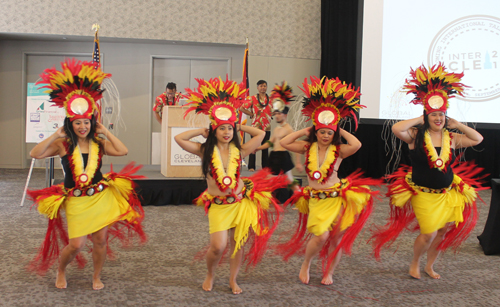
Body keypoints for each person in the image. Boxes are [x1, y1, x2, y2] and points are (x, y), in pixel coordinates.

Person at [28, 59, 147, 290]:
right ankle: (61, 270)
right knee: (76, 245)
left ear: (92, 123)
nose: (83, 126)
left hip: (99, 197)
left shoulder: (98, 143)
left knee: (101, 240)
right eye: (78, 123)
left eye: (86, 122)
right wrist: (54, 135)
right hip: (76, 199)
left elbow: (123, 151)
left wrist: (105, 132)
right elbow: (35, 153)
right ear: (70, 123)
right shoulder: (63, 144)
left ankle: (96, 276)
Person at [371, 63, 485, 280]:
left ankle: (429, 265)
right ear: (426, 116)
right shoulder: (415, 135)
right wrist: (422, 117)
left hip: (447, 193)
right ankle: (415, 263)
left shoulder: (451, 138)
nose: (438, 118)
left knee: (441, 232)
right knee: (429, 232)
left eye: (441, 114)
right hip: (423, 193)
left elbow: (477, 139)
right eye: (433, 115)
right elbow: (397, 129)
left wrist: (457, 124)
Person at [175, 77, 287, 294]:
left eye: (229, 129)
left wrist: (238, 124)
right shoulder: (204, 151)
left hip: (239, 202)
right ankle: (210, 273)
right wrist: (201, 131)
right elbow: (180, 139)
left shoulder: (241, 150)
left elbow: (262, 133)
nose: (226, 132)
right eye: (222, 128)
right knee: (218, 247)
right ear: (214, 130)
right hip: (218, 204)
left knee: (237, 245)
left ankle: (233, 279)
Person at [277, 76, 380, 285]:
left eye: (329, 132)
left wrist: (338, 128)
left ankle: (329, 272)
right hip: (316, 199)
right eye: (321, 132)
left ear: (334, 134)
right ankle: (306, 263)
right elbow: (285, 142)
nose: (325, 135)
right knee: (321, 236)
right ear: (316, 132)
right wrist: (305, 131)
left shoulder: (339, 151)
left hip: (336, 198)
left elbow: (357, 144)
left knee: (335, 238)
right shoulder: (307, 148)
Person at [253, 81, 302, 202]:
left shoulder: (288, 129)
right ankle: (266, 199)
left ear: (285, 115)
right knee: (269, 178)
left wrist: (298, 162)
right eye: (276, 114)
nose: (277, 116)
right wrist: (258, 148)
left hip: (283, 156)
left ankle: (301, 198)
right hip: (274, 156)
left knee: (289, 180)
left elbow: (296, 146)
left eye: (279, 114)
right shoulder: (276, 128)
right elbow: (270, 143)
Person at [240, 80, 272, 171]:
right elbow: (242, 108)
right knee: (253, 146)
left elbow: (275, 110)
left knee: (265, 147)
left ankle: (265, 167)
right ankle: (251, 166)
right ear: (257, 87)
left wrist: (270, 115)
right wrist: (251, 114)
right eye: (261, 86)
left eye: (265, 86)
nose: (263, 88)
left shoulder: (270, 99)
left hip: (267, 127)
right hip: (255, 127)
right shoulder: (252, 98)